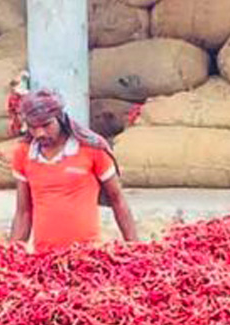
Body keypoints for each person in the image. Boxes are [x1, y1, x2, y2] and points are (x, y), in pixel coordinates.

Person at [9, 89, 138, 249]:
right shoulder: (23, 153)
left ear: (60, 119)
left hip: (87, 255)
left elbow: (117, 200)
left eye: (47, 125)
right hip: (44, 257)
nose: (40, 133)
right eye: (33, 127)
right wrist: (11, 254)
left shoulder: (91, 148)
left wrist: (134, 246)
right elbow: (23, 211)